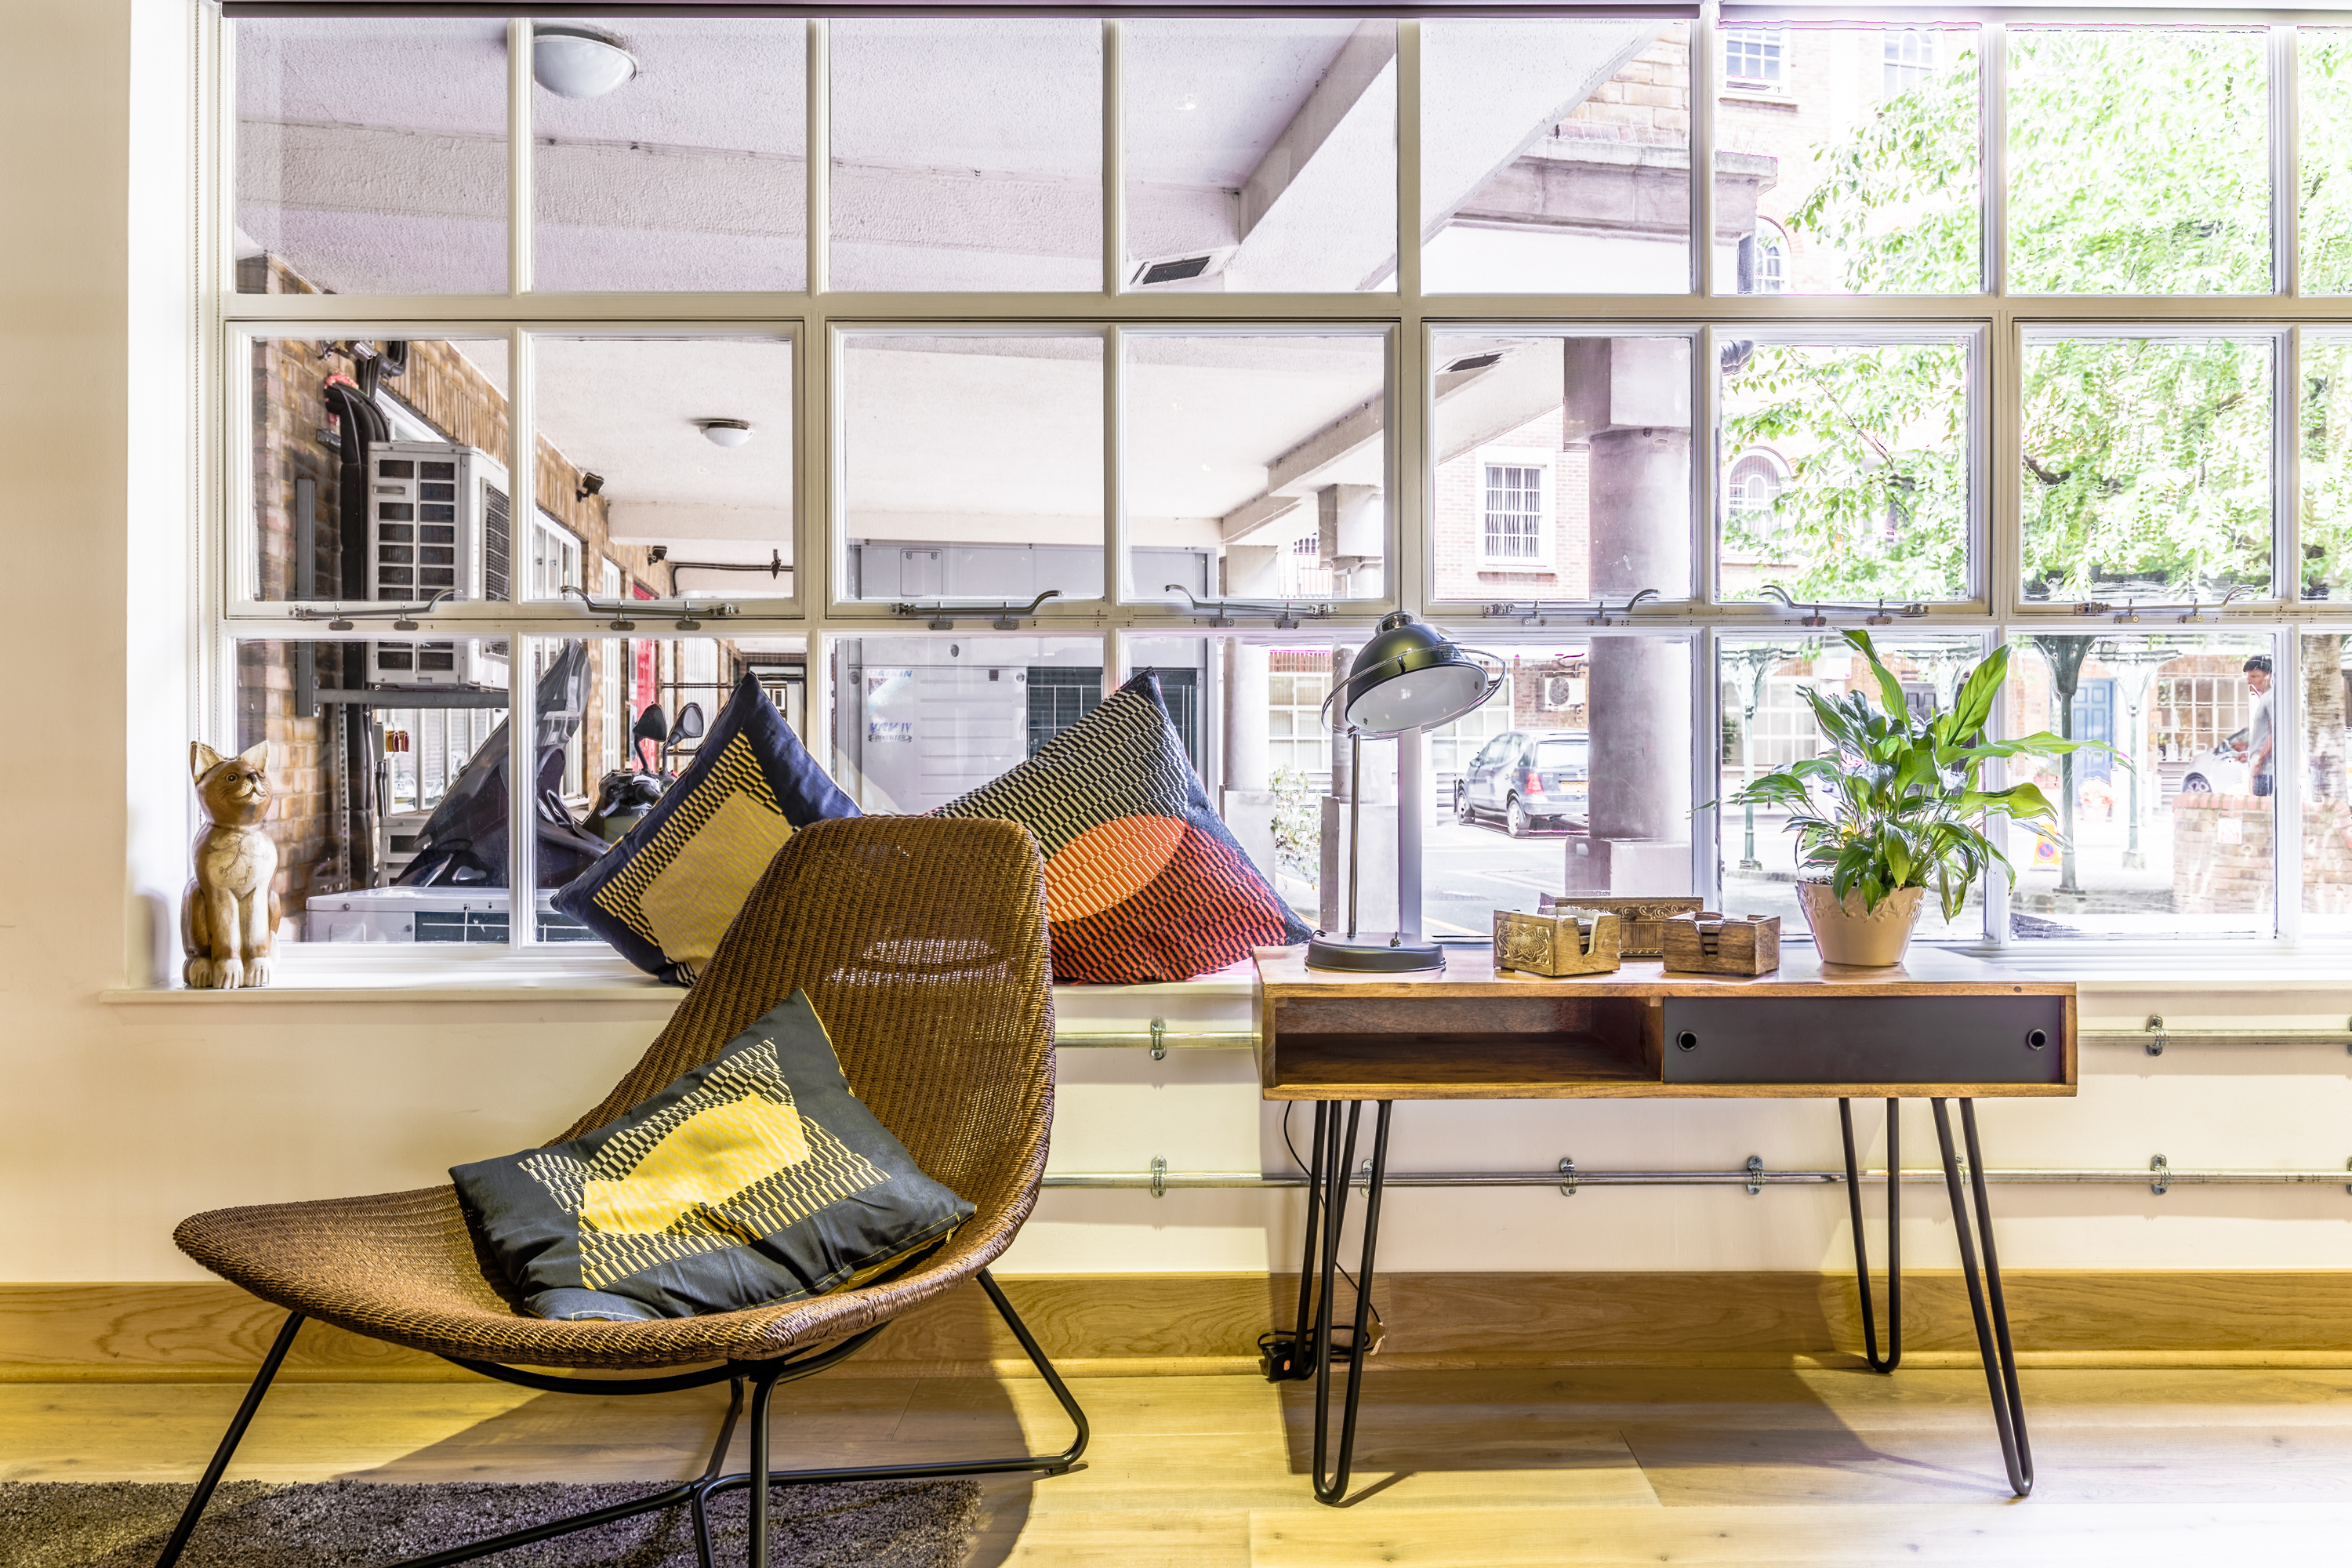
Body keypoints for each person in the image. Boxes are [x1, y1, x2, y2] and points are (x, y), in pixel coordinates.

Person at [2236, 655, 2275, 798]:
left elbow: (2276, 732)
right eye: (2248, 677)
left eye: (2254, 676)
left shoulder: (2271, 697)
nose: (2249, 681)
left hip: (2266, 771)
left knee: (2262, 812)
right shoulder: (2266, 697)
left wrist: (2260, 758)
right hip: (2263, 769)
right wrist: (2249, 753)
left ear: (2269, 676)